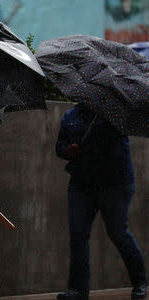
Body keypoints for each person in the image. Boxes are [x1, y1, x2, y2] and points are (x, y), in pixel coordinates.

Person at [55, 104, 147, 300]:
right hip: (81, 183)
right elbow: (59, 146)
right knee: (78, 236)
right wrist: (67, 150)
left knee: (118, 232)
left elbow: (117, 143)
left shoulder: (116, 113)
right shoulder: (71, 115)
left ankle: (140, 282)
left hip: (115, 182)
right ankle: (78, 290)